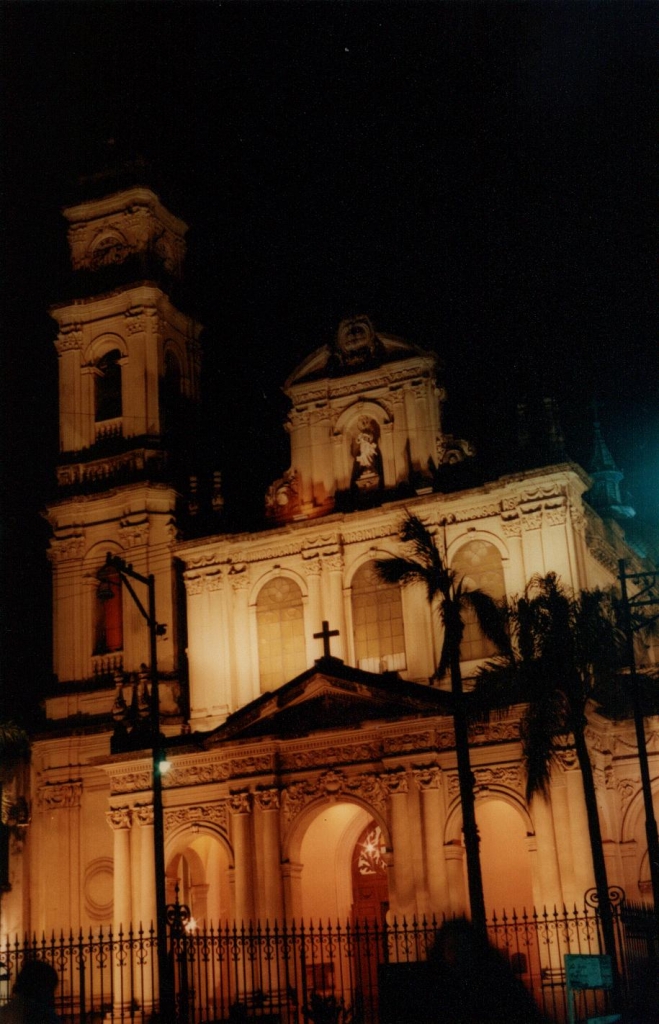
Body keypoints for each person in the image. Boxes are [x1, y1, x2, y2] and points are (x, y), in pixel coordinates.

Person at [427, 917, 551, 1023]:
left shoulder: (497, 984)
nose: (458, 954)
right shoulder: (440, 991)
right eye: (452, 948)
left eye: (464, 947)